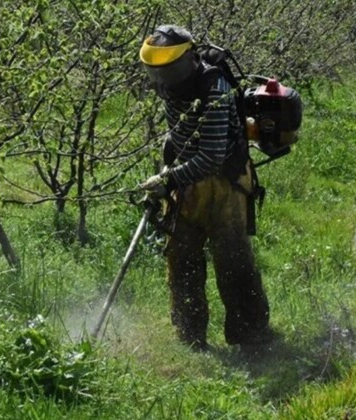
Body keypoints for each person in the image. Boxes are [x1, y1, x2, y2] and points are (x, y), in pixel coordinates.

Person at [138, 25, 274, 351]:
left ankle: (250, 336)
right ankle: (190, 337)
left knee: (233, 260)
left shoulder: (215, 87)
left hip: (226, 182)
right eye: (157, 72)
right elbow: (181, 135)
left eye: (168, 70)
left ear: (185, 62)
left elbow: (211, 156)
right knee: (181, 257)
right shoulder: (170, 90)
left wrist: (169, 180)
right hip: (188, 181)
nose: (163, 79)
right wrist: (168, 171)